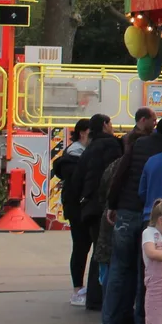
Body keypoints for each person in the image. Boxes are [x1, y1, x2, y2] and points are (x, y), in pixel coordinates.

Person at [104, 114, 162, 324]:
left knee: (119, 265)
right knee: (145, 271)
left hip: (127, 210)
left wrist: (113, 203)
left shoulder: (140, 144)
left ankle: (109, 319)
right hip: (153, 215)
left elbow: (122, 172)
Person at [76, 114, 122, 311]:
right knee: (106, 254)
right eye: (110, 123)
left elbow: (78, 177)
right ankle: (103, 298)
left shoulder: (89, 148)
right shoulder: (111, 145)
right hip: (103, 206)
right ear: (105, 125)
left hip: (89, 207)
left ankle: (94, 297)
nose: (112, 127)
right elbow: (114, 175)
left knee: (97, 252)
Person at [53, 119, 91, 307]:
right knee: (81, 247)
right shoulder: (75, 155)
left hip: (80, 207)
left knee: (83, 247)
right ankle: (78, 289)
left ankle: (85, 288)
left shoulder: (80, 153)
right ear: (83, 133)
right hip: (77, 208)